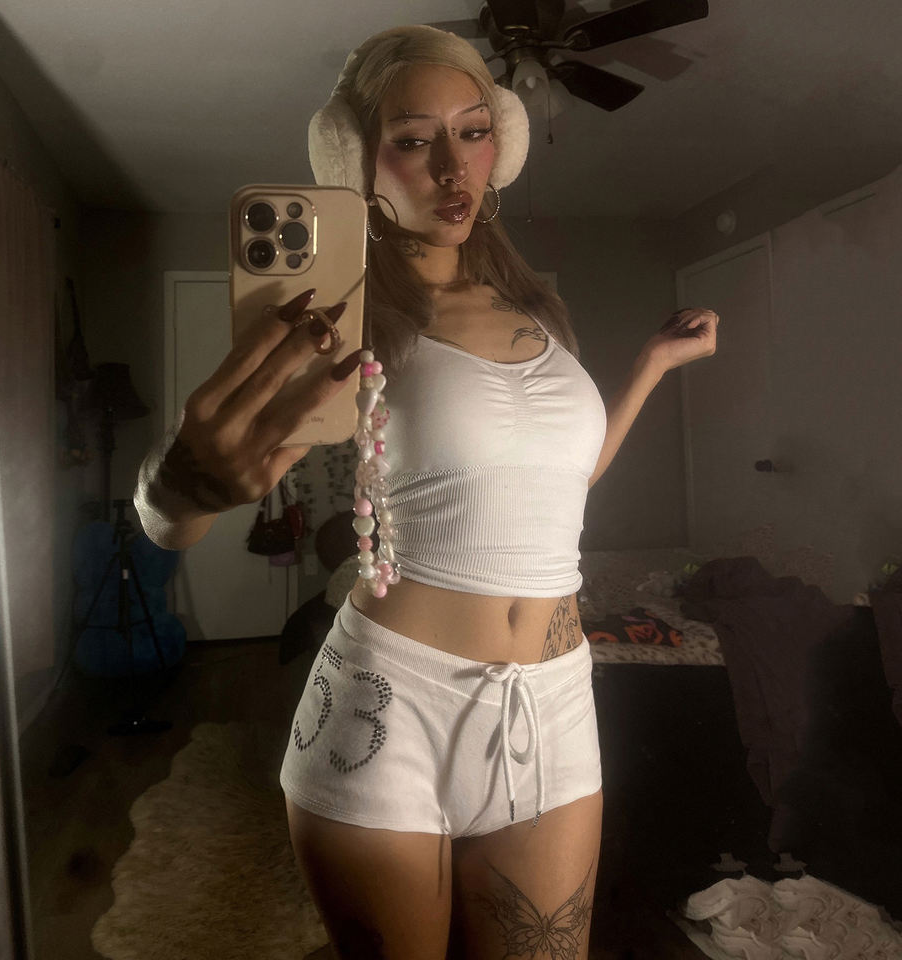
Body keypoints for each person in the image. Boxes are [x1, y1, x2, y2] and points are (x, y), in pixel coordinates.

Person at [135, 24, 718, 960]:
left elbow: (559, 489)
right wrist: (173, 491)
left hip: (555, 703)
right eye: (412, 140)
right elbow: (174, 514)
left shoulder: (536, 312)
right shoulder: (341, 319)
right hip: (388, 705)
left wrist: (649, 366)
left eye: (474, 132)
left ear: (502, 144)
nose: (453, 166)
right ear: (359, 164)